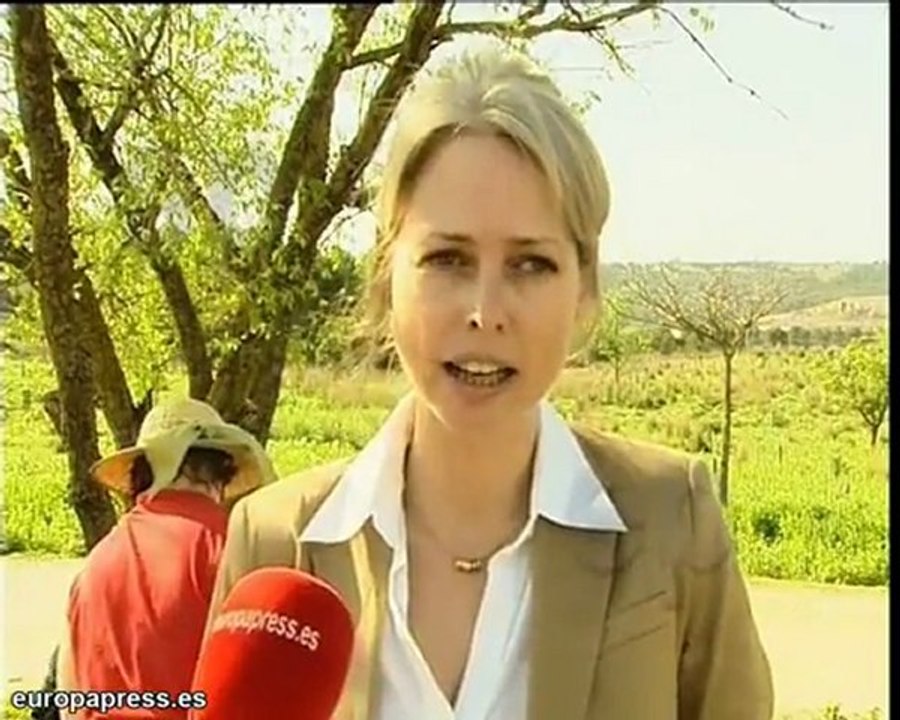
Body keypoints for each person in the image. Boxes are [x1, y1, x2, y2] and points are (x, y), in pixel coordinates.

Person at [205, 47, 774, 720]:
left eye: (530, 264)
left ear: (583, 288)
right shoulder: (277, 541)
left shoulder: (671, 522)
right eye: (447, 258)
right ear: (389, 276)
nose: (485, 311)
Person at [55, 398, 276, 719]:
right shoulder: (232, 549)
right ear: (222, 472)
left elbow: (69, 698)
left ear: (140, 475)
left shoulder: (95, 563)